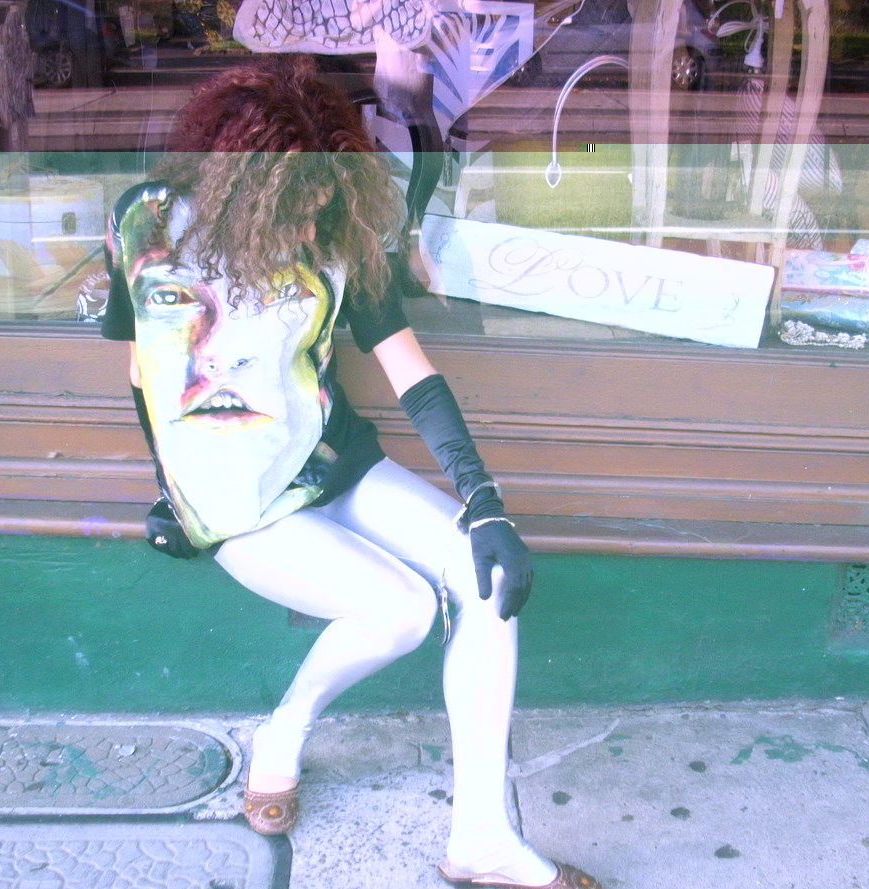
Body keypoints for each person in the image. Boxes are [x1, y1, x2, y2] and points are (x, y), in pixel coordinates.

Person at [100, 54, 603, 889]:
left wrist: (483, 502)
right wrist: (171, 489)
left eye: (322, 209)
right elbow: (142, 372)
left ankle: (481, 839)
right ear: (241, 190)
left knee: (482, 578)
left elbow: (412, 373)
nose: (310, 230)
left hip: (332, 462)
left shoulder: (334, 235)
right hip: (239, 503)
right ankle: (285, 730)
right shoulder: (147, 227)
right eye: (294, 212)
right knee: (403, 609)